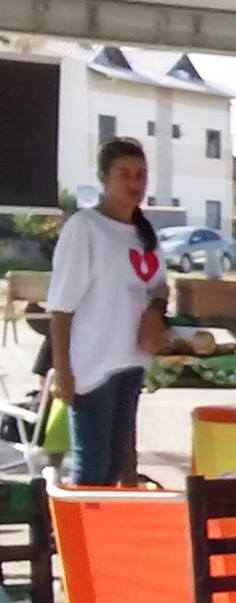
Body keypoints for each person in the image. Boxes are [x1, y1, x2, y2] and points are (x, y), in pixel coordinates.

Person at [48, 137, 169, 487]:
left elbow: (160, 286)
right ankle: (74, 538)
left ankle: (107, 535)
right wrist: (63, 369)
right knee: (93, 463)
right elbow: (61, 306)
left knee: (119, 460)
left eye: (141, 175)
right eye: (124, 175)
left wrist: (154, 314)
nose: (134, 184)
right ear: (104, 177)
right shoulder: (84, 228)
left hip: (131, 359)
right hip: (92, 363)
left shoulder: (146, 233)